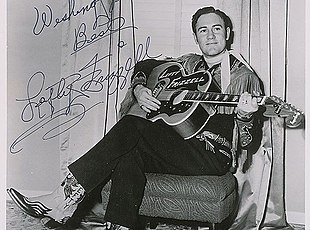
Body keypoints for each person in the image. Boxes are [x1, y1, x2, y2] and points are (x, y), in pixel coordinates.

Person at [7, 6, 264, 230]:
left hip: (211, 154)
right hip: (174, 146)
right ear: (196, 38)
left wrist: (244, 115)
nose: (210, 35)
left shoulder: (244, 77)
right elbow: (145, 64)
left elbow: (245, 143)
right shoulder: (187, 64)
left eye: (216, 29)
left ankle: (63, 197)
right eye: (203, 30)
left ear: (227, 33)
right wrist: (140, 89)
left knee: (132, 126)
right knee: (128, 154)